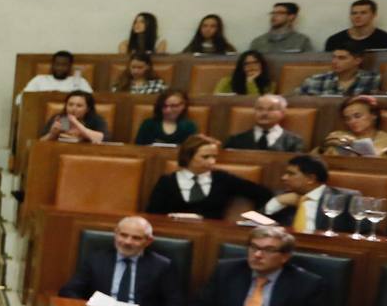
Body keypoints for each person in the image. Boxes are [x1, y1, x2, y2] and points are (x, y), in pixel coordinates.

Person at [193, 225, 335, 306]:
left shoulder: (308, 285)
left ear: (285, 257)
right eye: (254, 247)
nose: (257, 255)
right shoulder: (227, 270)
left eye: (268, 250)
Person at [57, 215, 185, 306]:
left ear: (148, 241)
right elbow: (69, 291)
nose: (127, 242)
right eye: (123, 235)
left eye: (136, 238)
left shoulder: (162, 266)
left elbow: (175, 304)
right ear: (115, 235)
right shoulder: (96, 259)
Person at [144, 134, 273, 218]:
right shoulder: (167, 182)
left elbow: (262, 193)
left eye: (214, 157)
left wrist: (253, 218)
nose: (212, 162)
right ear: (188, 156)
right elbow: (153, 215)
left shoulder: (222, 179)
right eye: (205, 157)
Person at [263, 154, 359, 235]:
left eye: (291, 174)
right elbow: (254, 223)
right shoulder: (281, 196)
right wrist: (277, 201)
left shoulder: (346, 198)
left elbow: (362, 231)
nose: (283, 178)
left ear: (311, 179)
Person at [319, 94, 387, 158]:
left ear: (374, 115)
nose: (352, 121)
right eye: (347, 119)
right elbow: (317, 160)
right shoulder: (336, 136)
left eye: (357, 116)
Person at [223, 94, 306, 152]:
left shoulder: (294, 141)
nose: (264, 113)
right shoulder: (235, 140)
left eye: (271, 109)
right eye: (260, 109)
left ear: (283, 113)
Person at [296, 45, 381, 97]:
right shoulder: (314, 80)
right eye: (334, 57)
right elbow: (294, 100)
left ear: (357, 61)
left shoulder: (372, 78)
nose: (334, 62)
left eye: (341, 58)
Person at [323, 0, 387, 52]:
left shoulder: (386, 39)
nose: (357, 16)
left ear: (374, 15)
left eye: (363, 13)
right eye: (354, 13)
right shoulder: (334, 40)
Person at [39, 91, 109, 144]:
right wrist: (52, 134)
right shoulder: (62, 119)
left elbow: (103, 140)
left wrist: (75, 123)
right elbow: (40, 143)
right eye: (70, 104)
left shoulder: (96, 120)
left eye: (79, 106)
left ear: (88, 109)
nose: (73, 108)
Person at [20, 51, 92, 99]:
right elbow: (20, 100)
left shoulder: (80, 81)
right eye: (57, 64)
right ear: (52, 65)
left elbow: (91, 101)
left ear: (70, 66)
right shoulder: (39, 80)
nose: (60, 68)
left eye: (64, 65)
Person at [250, 2, 315, 54]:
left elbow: (309, 65)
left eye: (279, 13)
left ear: (291, 16)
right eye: (273, 13)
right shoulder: (258, 42)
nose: (274, 16)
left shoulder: (302, 41)